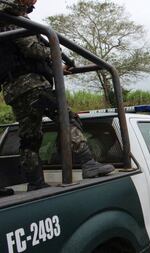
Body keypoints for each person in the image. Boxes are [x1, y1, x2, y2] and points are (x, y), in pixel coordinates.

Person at [0, 0, 114, 191]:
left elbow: (21, 57)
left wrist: (56, 66)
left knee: (30, 138)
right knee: (67, 118)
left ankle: (36, 182)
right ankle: (88, 163)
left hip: (15, 90)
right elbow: (32, 50)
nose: (35, 1)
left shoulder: (6, 18)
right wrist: (54, 50)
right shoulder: (13, 17)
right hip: (32, 86)